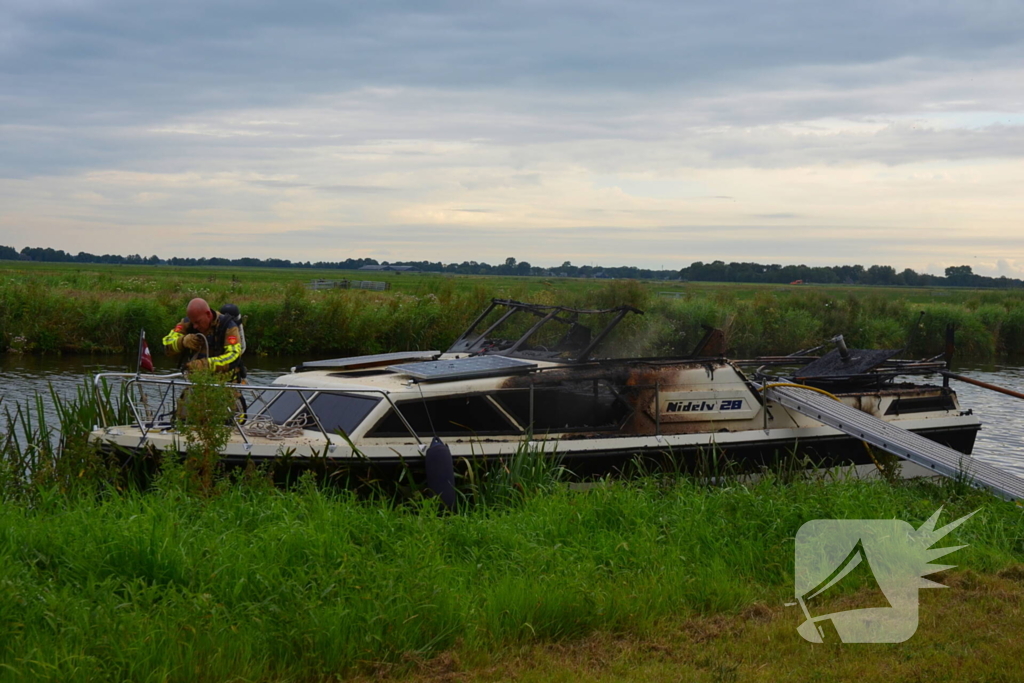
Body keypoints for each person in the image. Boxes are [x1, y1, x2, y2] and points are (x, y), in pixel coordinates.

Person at [163, 298, 245, 381]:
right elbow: (166, 344)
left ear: (208, 314)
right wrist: (182, 341)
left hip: (225, 385)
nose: (195, 326)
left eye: (198, 322)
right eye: (193, 322)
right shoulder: (188, 323)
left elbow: (234, 356)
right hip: (197, 383)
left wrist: (205, 365)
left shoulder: (228, 326)